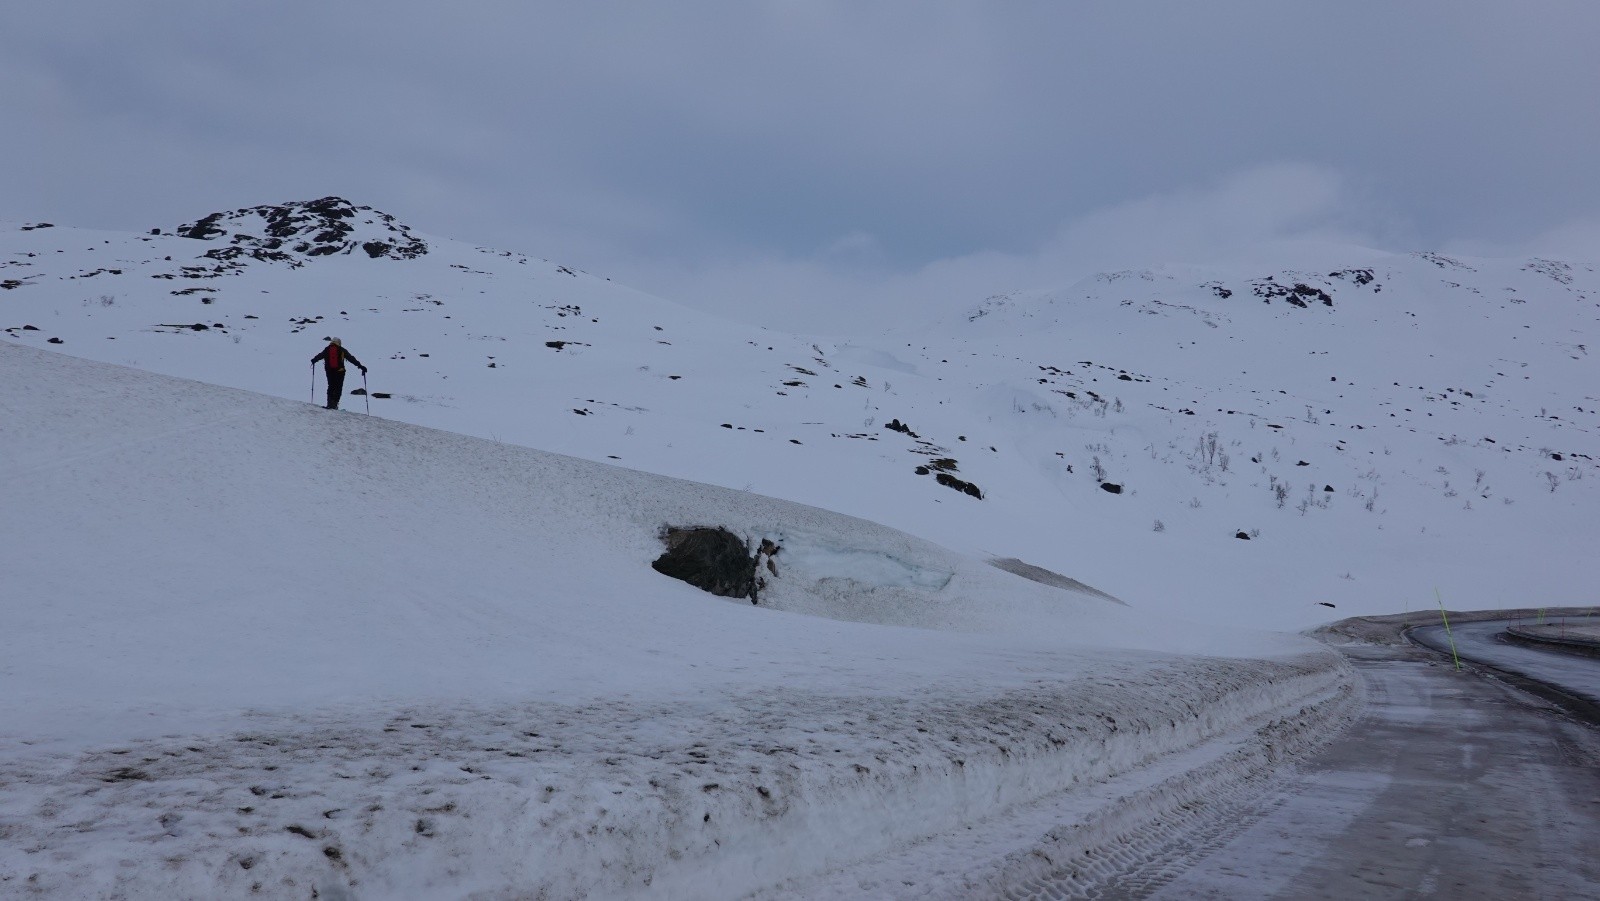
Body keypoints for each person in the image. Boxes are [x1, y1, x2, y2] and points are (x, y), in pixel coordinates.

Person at [311, 337, 366, 410]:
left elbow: (320, 356)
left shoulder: (327, 349)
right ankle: (335, 404)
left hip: (329, 371)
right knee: (338, 388)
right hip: (340, 371)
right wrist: (360, 366)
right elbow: (351, 358)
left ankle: (329, 404)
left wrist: (314, 360)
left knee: (331, 386)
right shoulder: (342, 350)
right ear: (339, 343)